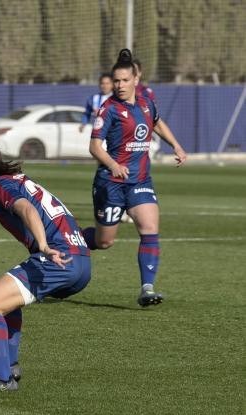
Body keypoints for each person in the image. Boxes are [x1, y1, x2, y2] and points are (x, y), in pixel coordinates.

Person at [0, 146, 91, 392]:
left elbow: (27, 209)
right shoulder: (19, 180)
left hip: (57, 259)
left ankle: (2, 379)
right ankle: (8, 366)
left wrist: (43, 245)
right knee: (6, 304)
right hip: (79, 260)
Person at [82, 48, 187, 307]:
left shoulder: (145, 102)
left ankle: (146, 288)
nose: (119, 85)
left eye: (124, 80)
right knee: (104, 242)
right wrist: (113, 164)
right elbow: (94, 147)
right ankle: (67, 237)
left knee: (150, 228)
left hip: (140, 181)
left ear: (136, 80)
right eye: (116, 81)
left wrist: (176, 144)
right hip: (111, 183)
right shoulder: (108, 109)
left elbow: (157, 122)